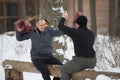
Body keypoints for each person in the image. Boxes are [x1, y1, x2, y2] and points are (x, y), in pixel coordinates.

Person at [58, 11, 96, 80]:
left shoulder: (76, 32)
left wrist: (63, 17)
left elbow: (60, 26)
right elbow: (85, 47)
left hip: (82, 61)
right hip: (93, 61)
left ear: (77, 24)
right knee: (77, 73)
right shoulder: (91, 34)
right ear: (86, 23)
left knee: (64, 69)